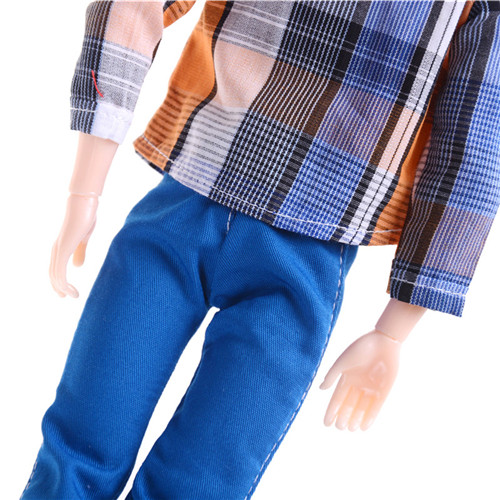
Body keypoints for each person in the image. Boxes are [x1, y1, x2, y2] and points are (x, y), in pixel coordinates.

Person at [21, 1, 500, 499]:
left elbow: (472, 143)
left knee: (198, 483)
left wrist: (394, 329)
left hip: (302, 255)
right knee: (79, 449)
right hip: (186, 203)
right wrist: (85, 190)